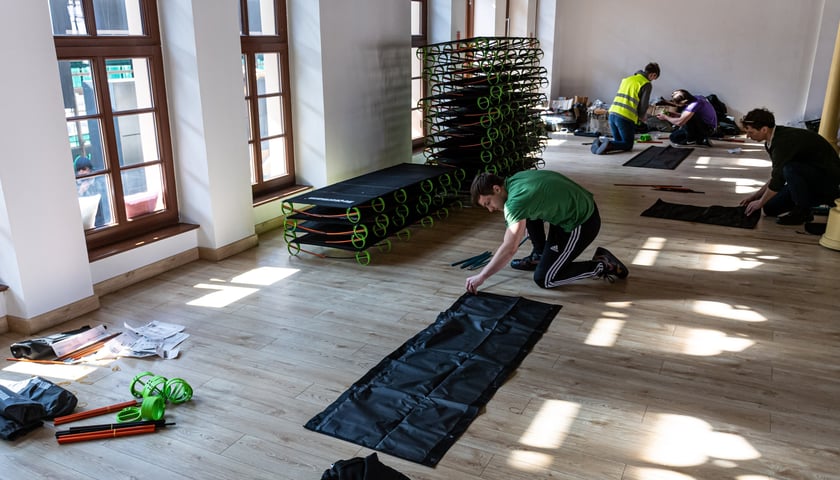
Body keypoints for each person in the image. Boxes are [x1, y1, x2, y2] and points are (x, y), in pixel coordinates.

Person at [464, 170, 628, 294]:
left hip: (581, 222)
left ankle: (604, 265)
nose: (491, 209)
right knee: (528, 216)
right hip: (572, 209)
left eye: (488, 203)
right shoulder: (515, 180)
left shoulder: (514, 204)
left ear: (496, 189)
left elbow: (510, 248)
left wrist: (482, 277)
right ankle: (540, 255)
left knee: (545, 279)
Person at [739, 108, 840, 225]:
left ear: (764, 129)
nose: (747, 136)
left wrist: (759, 202)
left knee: (789, 168)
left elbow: (779, 179)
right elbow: (776, 175)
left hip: (827, 183)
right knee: (769, 208)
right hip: (807, 180)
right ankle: (803, 205)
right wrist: (756, 197)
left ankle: (803, 212)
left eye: (750, 132)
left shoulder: (782, 142)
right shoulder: (770, 142)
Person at [592, 62, 660, 155]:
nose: (652, 81)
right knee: (628, 145)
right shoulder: (646, 84)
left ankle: (602, 144)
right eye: (654, 79)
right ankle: (606, 144)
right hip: (625, 117)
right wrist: (641, 118)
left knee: (619, 142)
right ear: (653, 74)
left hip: (612, 113)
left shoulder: (627, 79)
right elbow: (643, 104)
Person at [74, 155, 108, 228]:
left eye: (84, 169)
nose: (81, 172)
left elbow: (104, 199)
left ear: (90, 169)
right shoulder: (76, 184)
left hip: (100, 218)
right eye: (79, 169)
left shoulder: (98, 180)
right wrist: (80, 191)